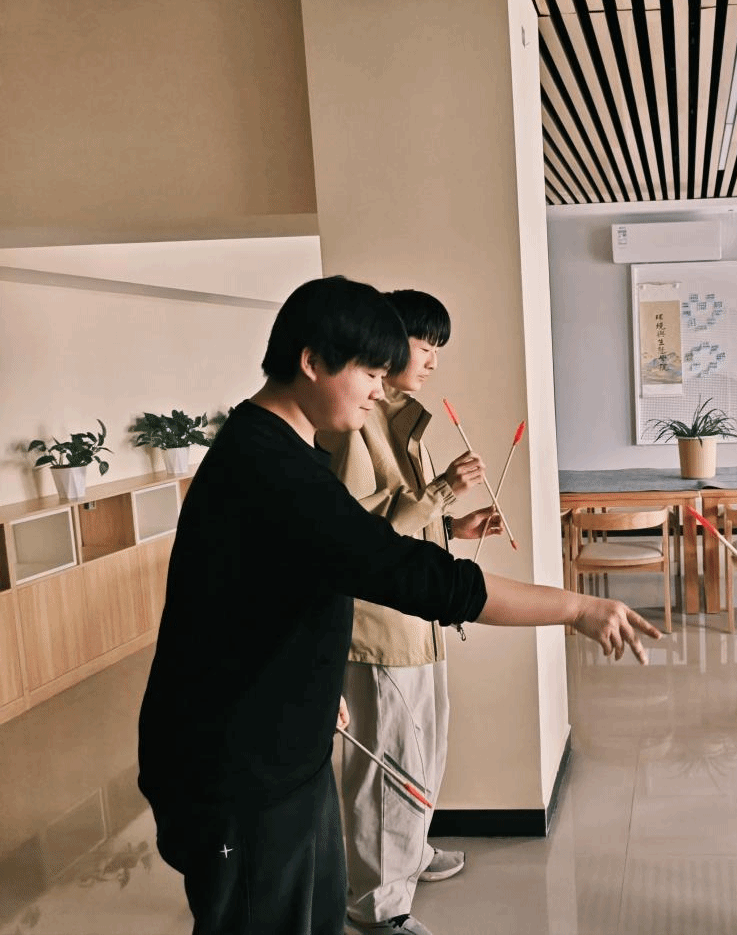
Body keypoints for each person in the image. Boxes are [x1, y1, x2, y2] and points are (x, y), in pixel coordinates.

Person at [136, 276, 659, 935]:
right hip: (239, 769)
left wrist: (314, 684)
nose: (379, 391)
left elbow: (275, 594)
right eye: (370, 373)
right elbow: (410, 572)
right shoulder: (271, 469)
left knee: (314, 913)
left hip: (279, 743)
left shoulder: (273, 447)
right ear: (312, 361)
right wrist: (576, 609)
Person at [319, 290, 499, 935]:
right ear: (387, 343)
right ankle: (377, 904)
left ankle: (410, 854)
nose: (432, 361)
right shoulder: (354, 423)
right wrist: (444, 488)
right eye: (425, 347)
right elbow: (360, 538)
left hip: (415, 616)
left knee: (421, 752)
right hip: (379, 626)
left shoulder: (396, 416)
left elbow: (404, 517)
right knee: (386, 766)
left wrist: (454, 525)